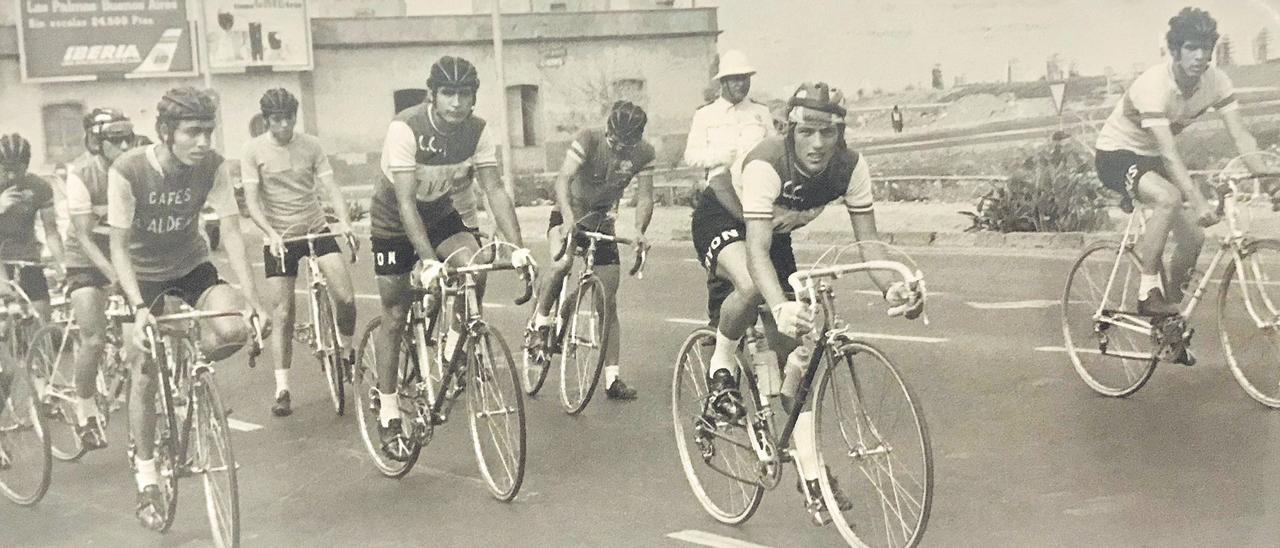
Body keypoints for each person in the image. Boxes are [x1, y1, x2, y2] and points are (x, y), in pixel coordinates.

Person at [691, 82, 919, 522]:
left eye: (828, 133)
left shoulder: (851, 168)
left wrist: (890, 285)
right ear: (789, 130)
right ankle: (721, 361)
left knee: (794, 357)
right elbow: (756, 253)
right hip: (723, 215)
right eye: (807, 132)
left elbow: (867, 242)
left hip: (770, 226)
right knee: (756, 287)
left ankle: (811, 475)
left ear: (841, 134)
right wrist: (780, 305)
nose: (817, 144)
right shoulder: (767, 162)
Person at [108, 87, 268, 528]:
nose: (203, 142)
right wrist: (139, 307)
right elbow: (117, 246)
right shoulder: (129, 169)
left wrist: (252, 301)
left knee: (236, 328)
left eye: (208, 132)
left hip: (191, 264)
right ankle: (146, 477)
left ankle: (184, 382)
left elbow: (232, 233)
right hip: (140, 275)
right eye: (192, 133)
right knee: (142, 367)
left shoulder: (213, 167)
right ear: (165, 133)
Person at [369, 55, 531, 461]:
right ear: (432, 95)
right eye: (449, 93)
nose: (457, 103)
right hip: (393, 220)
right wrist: (427, 260)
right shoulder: (406, 127)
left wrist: (518, 247)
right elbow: (405, 202)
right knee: (394, 314)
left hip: (439, 214)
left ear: (474, 97)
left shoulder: (477, 131)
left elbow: (494, 191)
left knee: (474, 265)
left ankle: (451, 352)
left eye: (465, 94)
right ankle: (388, 408)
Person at [1094, 7, 1276, 339]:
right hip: (1116, 155)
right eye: (1191, 47)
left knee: (1194, 237)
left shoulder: (1216, 81)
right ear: (1175, 51)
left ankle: (1168, 324)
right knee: (1169, 198)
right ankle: (1148, 292)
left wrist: (1267, 179)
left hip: (1152, 160)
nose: (1200, 56)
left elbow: (1240, 135)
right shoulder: (1154, 85)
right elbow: (1169, 152)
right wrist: (1197, 200)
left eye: (1206, 48)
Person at [526, 101, 655, 401]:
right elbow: (563, 179)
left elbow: (646, 198)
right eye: (615, 141)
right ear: (608, 129)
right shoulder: (588, 139)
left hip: (601, 219)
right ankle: (541, 322)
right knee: (561, 265)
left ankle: (612, 379)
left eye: (627, 144)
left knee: (606, 300)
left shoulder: (645, 153)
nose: (620, 149)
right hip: (570, 212)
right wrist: (568, 218)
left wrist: (639, 231)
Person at [241, 88, 356, 417]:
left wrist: (345, 222)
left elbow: (330, 187)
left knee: (346, 298)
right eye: (277, 119)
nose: (285, 124)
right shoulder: (253, 151)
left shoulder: (311, 145)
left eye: (290, 117)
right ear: (267, 121)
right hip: (279, 237)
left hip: (315, 228)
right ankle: (282, 388)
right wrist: (271, 233)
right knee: (283, 314)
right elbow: (251, 202)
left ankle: (346, 352)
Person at [61, 108, 136, 451]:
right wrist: (113, 276)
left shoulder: (136, 166)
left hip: (125, 252)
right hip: (87, 259)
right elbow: (84, 236)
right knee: (92, 338)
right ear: (96, 143)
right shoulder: (81, 173)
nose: (124, 145)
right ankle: (85, 410)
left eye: (128, 138)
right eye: (115, 140)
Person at [684, 50, 775, 327]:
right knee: (725, 280)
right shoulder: (706, 115)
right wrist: (723, 155)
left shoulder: (760, 113)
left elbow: (775, 149)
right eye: (734, 79)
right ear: (722, 82)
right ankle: (720, 341)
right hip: (721, 197)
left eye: (745, 78)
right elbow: (691, 156)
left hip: (756, 195)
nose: (741, 84)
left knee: (772, 276)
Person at [0, 133, 65, 322]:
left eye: (17, 170)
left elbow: (51, 233)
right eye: (6, 170)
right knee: (6, 323)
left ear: (26, 166)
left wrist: (62, 265)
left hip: (27, 259)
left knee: (42, 317)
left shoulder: (39, 187)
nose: (12, 176)